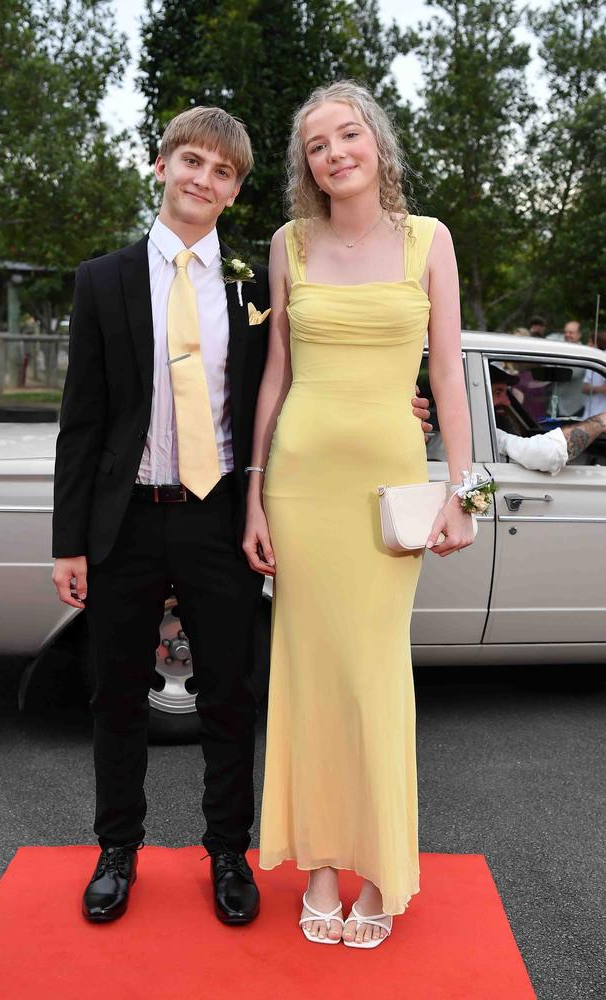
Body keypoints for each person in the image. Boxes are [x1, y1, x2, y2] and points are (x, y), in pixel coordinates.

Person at [51, 103, 434, 927]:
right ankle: (117, 850)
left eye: (223, 172)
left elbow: (298, 377)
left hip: (221, 515)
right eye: (192, 161)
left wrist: (395, 399)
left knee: (230, 694)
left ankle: (229, 850)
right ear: (162, 167)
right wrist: (68, 543)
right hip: (125, 517)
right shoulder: (102, 280)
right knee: (116, 695)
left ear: (234, 191)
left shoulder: (255, 287)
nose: (204, 179)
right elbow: (80, 423)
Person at [243, 80, 474, 949]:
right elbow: (276, 374)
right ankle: (322, 873)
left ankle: (379, 874)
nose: (334, 153)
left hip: (386, 491)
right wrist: (255, 493)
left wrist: (466, 492)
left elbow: (447, 376)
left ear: (376, 142)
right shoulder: (289, 244)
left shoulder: (429, 241)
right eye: (316, 145)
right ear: (307, 165)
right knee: (306, 679)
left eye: (348, 135)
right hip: (300, 486)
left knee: (373, 676)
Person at [491, 363, 606, 471]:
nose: (507, 402)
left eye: (506, 393)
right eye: (497, 392)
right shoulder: (485, 434)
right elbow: (545, 455)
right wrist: (600, 422)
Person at [582, 331, 606, 418]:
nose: (588, 345)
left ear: (596, 344)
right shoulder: (592, 362)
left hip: (602, 418)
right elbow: (584, 388)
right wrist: (599, 389)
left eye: (590, 342)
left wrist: (592, 388)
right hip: (588, 415)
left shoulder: (603, 360)